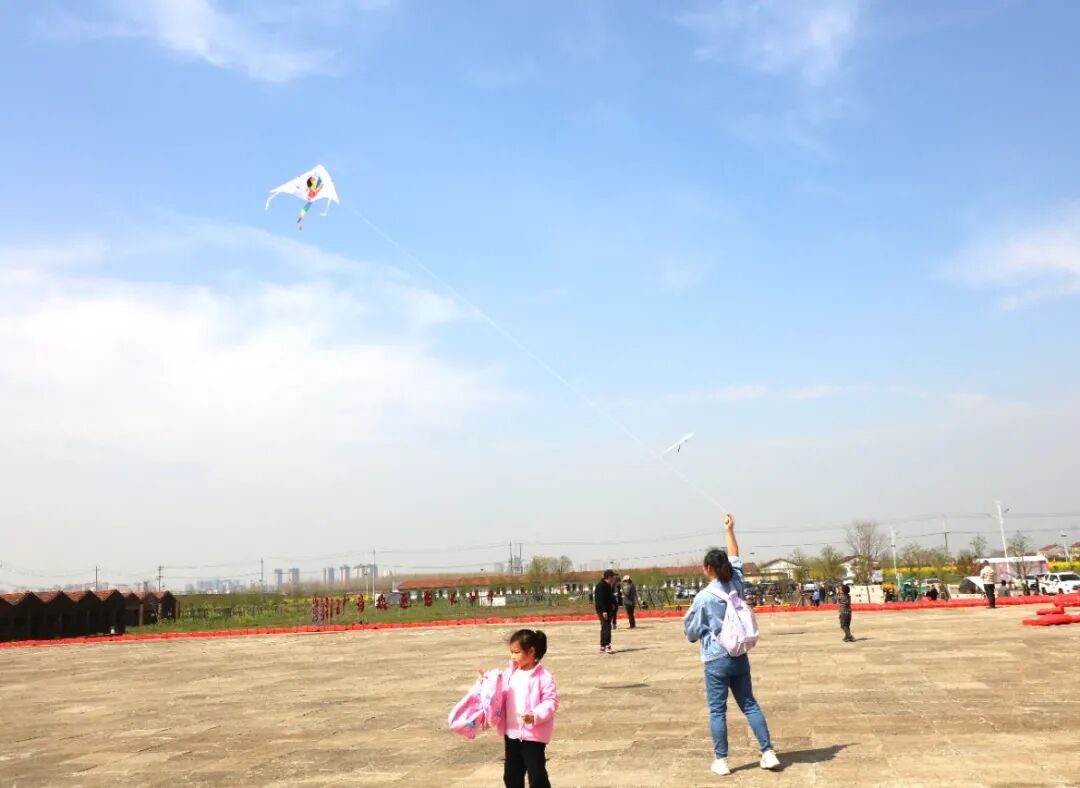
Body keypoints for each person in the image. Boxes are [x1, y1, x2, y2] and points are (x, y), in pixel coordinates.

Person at [683, 514, 780, 776]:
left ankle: (722, 760)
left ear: (707, 568)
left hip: (715, 657)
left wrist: (696, 634)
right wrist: (730, 530)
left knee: (717, 710)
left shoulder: (704, 598)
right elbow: (735, 555)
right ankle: (768, 752)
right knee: (749, 704)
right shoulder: (736, 582)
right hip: (739, 654)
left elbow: (691, 631)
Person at [498, 629, 559, 788]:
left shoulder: (543, 677)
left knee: (537, 774)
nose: (513, 657)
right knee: (511, 775)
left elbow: (551, 701)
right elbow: (498, 690)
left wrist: (535, 714)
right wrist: (485, 681)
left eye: (517, 652)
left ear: (531, 651)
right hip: (512, 734)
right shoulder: (510, 673)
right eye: (511, 652)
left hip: (533, 736)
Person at [594, 569, 616, 654]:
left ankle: (603, 645)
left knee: (604, 626)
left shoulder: (607, 585)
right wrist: (604, 611)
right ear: (609, 577)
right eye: (613, 576)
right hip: (603, 610)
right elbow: (600, 599)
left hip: (607, 609)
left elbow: (609, 597)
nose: (614, 578)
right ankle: (607, 645)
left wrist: (613, 603)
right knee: (607, 626)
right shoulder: (601, 586)